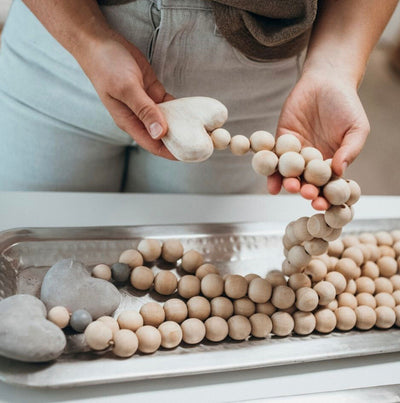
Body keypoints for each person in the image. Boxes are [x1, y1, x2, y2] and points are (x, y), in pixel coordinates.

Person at [0, 0, 397, 206]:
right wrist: (88, 40)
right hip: (60, 42)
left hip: (253, 71)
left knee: (187, 279)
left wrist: (334, 68)